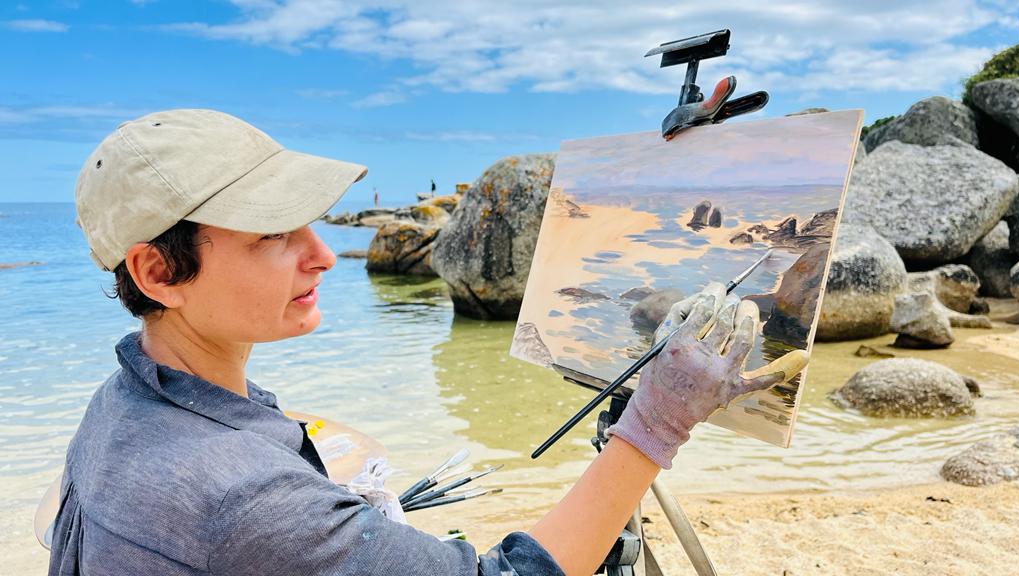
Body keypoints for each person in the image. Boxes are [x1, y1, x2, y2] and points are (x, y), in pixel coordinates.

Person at [49, 109, 807, 576]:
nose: (319, 256)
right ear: (158, 270)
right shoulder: (244, 502)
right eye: (274, 234)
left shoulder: (120, 407)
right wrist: (655, 424)